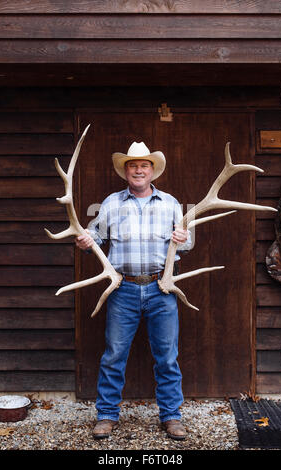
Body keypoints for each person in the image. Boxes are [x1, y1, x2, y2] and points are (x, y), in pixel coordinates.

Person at [75, 142, 191, 440]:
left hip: (161, 288)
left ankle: (172, 416)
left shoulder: (170, 203)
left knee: (166, 356)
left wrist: (184, 237)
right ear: (125, 171)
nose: (138, 170)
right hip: (122, 288)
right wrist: (85, 240)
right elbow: (96, 235)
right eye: (132, 165)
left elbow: (187, 243)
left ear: (152, 171)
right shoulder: (112, 203)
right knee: (114, 354)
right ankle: (106, 415)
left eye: (144, 165)